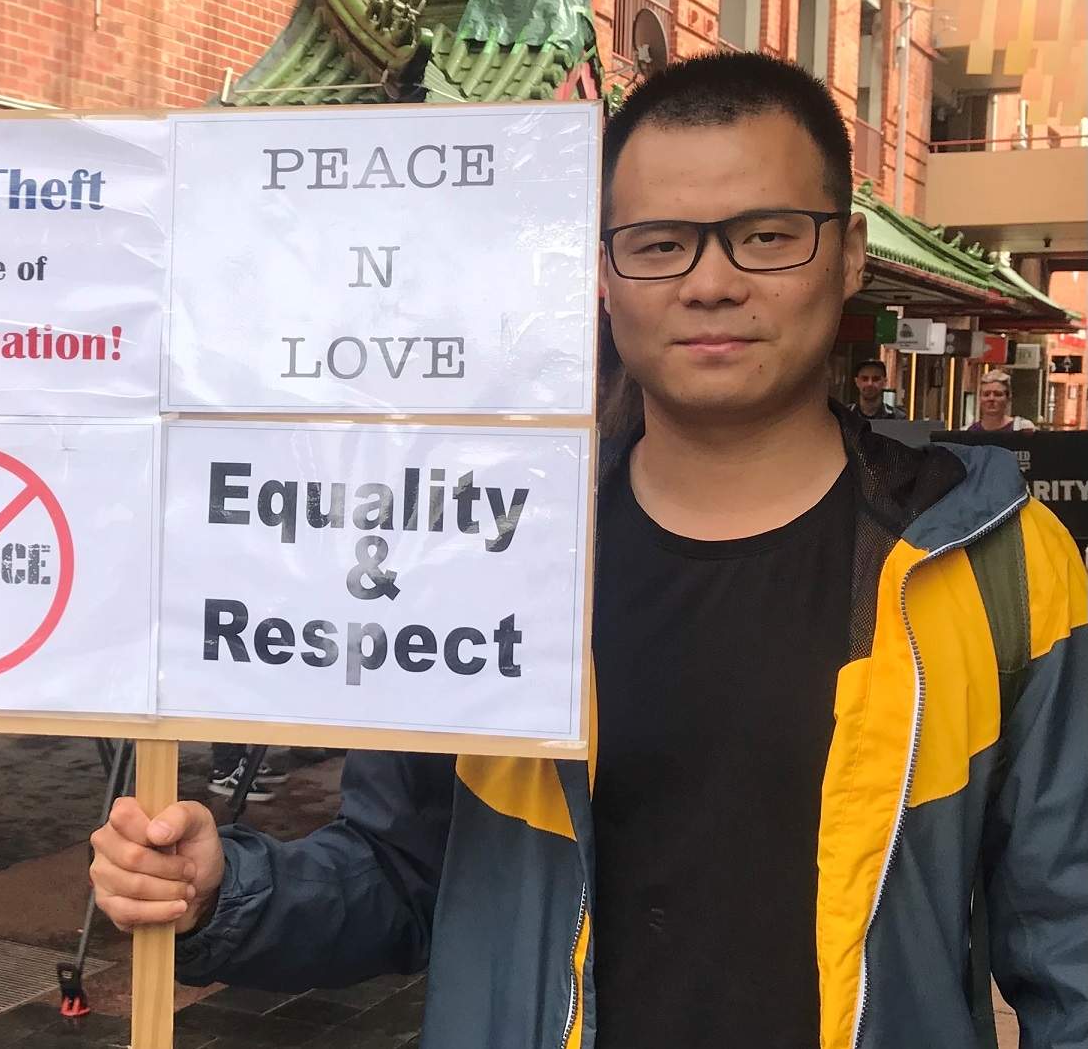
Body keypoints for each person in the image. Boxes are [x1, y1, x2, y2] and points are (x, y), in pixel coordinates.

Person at [88, 54, 1088, 1048]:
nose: (710, 282)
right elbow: (398, 876)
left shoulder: (999, 568)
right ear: (603, 272)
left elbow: (1067, 944)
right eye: (660, 244)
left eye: (766, 237)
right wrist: (223, 889)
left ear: (849, 253)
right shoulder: (477, 556)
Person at [968, 368, 1038, 432]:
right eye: (986, 394)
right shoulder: (970, 431)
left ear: (1008, 398)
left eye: (997, 394)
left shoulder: (1022, 427)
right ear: (980, 398)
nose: (991, 398)